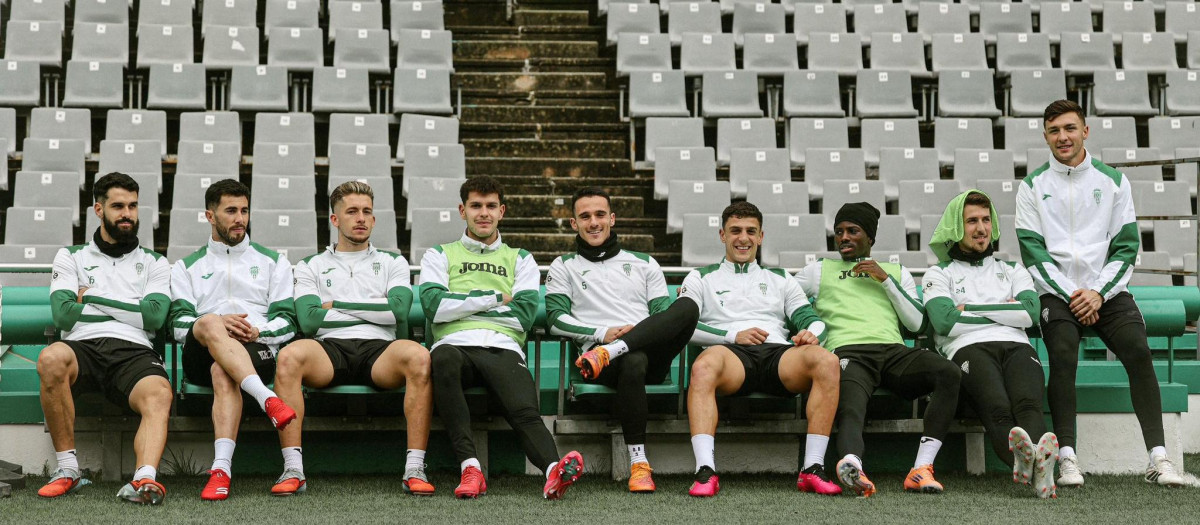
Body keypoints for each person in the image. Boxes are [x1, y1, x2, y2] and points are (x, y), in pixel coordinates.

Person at [1015, 99, 1186, 488]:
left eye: (1070, 128)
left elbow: (1126, 246)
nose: (1063, 137)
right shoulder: (1032, 186)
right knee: (1061, 354)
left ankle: (1159, 458)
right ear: (1045, 136)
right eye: (1055, 130)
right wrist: (1076, 294)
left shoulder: (1112, 181)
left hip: (1106, 290)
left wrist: (1098, 293)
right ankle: (1068, 458)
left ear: (1085, 131)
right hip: (1057, 293)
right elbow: (1033, 251)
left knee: (1139, 351)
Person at [420, 176, 584, 500]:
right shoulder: (439, 254)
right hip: (454, 346)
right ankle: (471, 468)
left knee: (525, 413)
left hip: (504, 347)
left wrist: (461, 305)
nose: (484, 213)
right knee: (441, 359)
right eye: (476, 206)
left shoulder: (520, 257)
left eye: (491, 206)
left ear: (502, 210)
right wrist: (495, 297)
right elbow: (434, 307)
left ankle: (553, 473)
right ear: (462, 210)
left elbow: (523, 314)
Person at [270, 181, 435, 497]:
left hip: (380, 349)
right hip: (329, 348)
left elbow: (398, 311)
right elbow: (309, 319)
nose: (361, 218)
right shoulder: (311, 265)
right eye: (352, 212)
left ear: (374, 219)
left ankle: (415, 468)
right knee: (289, 356)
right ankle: (292, 468)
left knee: (418, 356)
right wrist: (376, 307)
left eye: (367, 212)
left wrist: (338, 305)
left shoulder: (393, 262)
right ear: (335, 220)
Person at [795, 202, 961, 497]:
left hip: (894, 352)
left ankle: (921, 469)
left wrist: (885, 280)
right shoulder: (819, 270)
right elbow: (788, 300)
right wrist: (805, 329)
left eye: (853, 231)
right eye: (839, 232)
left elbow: (916, 323)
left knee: (948, 371)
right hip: (848, 353)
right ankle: (852, 463)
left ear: (870, 238)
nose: (844, 237)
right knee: (851, 404)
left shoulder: (896, 271)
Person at [679, 201, 842, 498]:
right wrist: (733, 335)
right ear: (722, 235)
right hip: (729, 356)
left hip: (778, 354)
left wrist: (810, 334)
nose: (743, 238)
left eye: (751, 231)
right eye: (735, 231)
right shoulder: (700, 277)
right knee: (703, 365)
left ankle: (812, 469)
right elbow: (684, 326)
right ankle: (705, 470)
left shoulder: (779, 278)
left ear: (761, 236)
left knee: (827, 361)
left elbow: (812, 320)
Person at [545, 187, 699, 493]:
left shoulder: (644, 262)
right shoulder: (563, 266)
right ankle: (639, 464)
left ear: (612, 218)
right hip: (601, 360)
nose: (593, 222)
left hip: (649, 353)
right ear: (574, 223)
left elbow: (662, 317)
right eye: (585, 216)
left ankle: (615, 350)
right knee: (633, 360)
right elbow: (555, 320)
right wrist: (601, 334)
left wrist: (624, 339)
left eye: (600, 214)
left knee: (688, 306)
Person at [37, 173, 173, 504]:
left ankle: (144, 481)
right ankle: (69, 470)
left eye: (133, 206)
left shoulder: (155, 262)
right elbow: (63, 315)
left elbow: (155, 317)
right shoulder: (70, 256)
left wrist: (93, 296)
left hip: (134, 350)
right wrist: (133, 308)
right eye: (117, 206)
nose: (127, 213)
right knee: (50, 358)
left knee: (159, 393)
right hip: (82, 345)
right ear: (98, 209)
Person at [168, 179, 298, 500]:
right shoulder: (187, 266)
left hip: (256, 349)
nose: (240, 218)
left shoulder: (272, 262)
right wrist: (216, 325)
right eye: (230, 211)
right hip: (200, 350)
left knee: (222, 371)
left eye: (244, 210)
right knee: (210, 320)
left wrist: (259, 331)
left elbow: (288, 322)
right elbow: (177, 323)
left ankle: (221, 471)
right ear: (210, 216)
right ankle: (267, 398)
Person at [924, 190, 1059, 498]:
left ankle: (1037, 468)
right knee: (998, 408)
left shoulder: (1012, 269)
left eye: (986, 220)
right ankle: (1027, 464)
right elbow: (945, 322)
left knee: (1028, 405)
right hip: (968, 348)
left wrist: (970, 308)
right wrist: (1004, 310)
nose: (981, 229)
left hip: (1016, 346)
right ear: (956, 227)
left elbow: (1030, 313)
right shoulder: (938, 273)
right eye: (971, 221)